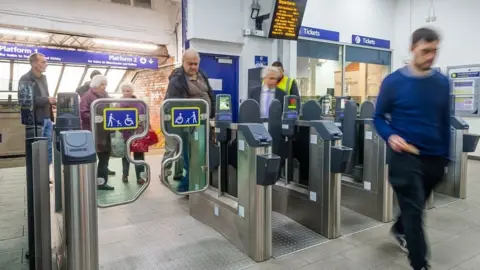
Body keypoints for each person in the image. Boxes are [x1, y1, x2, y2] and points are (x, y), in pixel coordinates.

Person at [374, 27, 450, 270]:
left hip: (434, 159)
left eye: (435, 51)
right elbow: (377, 117)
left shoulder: (441, 83)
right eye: (426, 51)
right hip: (404, 157)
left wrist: (445, 158)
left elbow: (444, 121)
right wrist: (390, 136)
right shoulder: (393, 82)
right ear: (412, 48)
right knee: (415, 213)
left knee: (414, 208)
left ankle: (399, 228)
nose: (431, 56)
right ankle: (420, 263)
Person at [164, 48, 215, 192]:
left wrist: (213, 114)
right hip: (187, 124)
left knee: (200, 153)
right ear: (183, 63)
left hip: (203, 122)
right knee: (189, 154)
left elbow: (210, 94)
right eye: (190, 64)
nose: (193, 67)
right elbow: (173, 104)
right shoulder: (177, 79)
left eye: (196, 64)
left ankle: (194, 182)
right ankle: (187, 186)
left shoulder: (202, 74)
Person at [19, 53, 55, 183]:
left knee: (48, 149)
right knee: (37, 150)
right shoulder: (25, 79)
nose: (46, 64)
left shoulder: (43, 78)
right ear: (34, 63)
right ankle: (36, 176)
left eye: (46, 61)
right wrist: (47, 100)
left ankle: (46, 174)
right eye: (43, 62)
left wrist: (50, 103)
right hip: (35, 121)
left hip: (47, 119)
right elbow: (26, 101)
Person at [79, 75, 115, 191]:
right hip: (92, 133)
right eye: (102, 84)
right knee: (91, 159)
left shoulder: (107, 96)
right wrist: (97, 118)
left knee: (104, 159)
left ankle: (101, 182)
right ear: (95, 84)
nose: (104, 87)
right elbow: (83, 113)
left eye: (105, 84)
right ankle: (88, 182)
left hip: (105, 133)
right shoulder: (87, 96)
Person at [119, 83, 147, 185]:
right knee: (125, 155)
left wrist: (143, 128)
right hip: (124, 133)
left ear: (132, 91)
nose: (126, 93)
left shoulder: (140, 104)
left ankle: (140, 177)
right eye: (124, 91)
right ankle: (125, 175)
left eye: (128, 91)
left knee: (139, 155)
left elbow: (144, 117)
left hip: (137, 133)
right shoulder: (118, 104)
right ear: (122, 92)